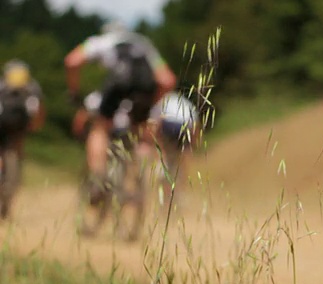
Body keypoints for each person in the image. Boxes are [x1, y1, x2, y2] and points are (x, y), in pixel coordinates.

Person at [64, 21, 176, 203]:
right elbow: (168, 80)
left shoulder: (100, 41)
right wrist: (150, 105)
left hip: (118, 82)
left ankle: (98, 179)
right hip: (145, 91)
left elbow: (72, 61)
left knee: (100, 128)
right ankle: (144, 175)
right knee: (139, 134)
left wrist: (73, 92)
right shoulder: (144, 44)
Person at [0, 60, 46, 217]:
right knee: (15, 156)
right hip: (17, 132)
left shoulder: (2, 87)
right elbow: (38, 112)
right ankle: (10, 188)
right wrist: (34, 127)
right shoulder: (32, 88)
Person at [148, 91, 200, 207]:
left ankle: (162, 170)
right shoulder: (186, 102)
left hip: (169, 124)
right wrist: (192, 147)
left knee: (165, 156)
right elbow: (195, 124)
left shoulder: (161, 100)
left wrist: (154, 146)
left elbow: (155, 123)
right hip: (186, 125)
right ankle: (180, 192)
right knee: (181, 161)